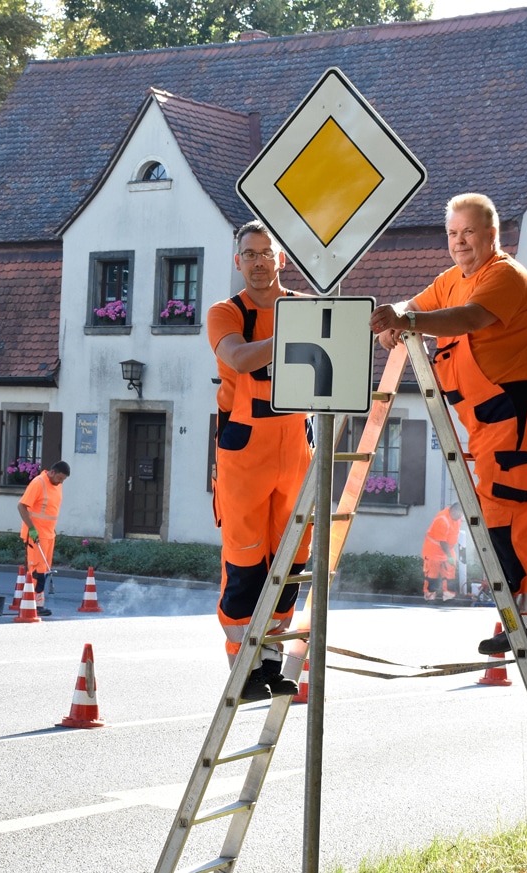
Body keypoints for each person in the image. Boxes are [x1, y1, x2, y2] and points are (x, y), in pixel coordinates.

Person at [369, 193, 527, 655]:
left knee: (503, 519)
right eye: (453, 233)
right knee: (522, 515)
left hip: (519, 416)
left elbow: (470, 318)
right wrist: (396, 317)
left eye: (469, 232)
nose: (459, 241)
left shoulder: (505, 275)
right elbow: (418, 303)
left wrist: (408, 319)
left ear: (492, 234)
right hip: (493, 423)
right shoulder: (452, 280)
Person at [209, 220, 314, 701]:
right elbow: (240, 358)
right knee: (246, 563)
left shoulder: (306, 308)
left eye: (265, 253)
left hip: (296, 450)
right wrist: (299, 332)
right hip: (245, 452)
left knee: (290, 562)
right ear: (238, 262)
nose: (258, 261)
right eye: (249, 254)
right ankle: (242, 666)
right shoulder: (224, 313)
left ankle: (269, 661)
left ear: (281, 259)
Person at [17, 460, 70, 617]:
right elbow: (21, 506)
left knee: (44, 571)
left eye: (63, 480)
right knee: (35, 571)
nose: (60, 482)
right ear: (52, 472)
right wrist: (32, 529)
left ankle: (37, 604)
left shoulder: (57, 486)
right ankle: (32, 604)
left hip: (48, 534)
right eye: (59, 478)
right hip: (35, 535)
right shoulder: (38, 483)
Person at [422, 503, 464, 602]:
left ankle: (449, 596)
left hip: (447, 549)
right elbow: (442, 542)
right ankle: (429, 597)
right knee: (432, 575)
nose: (459, 518)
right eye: (458, 515)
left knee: (450, 573)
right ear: (453, 511)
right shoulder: (442, 519)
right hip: (434, 550)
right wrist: (449, 556)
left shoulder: (457, 518)